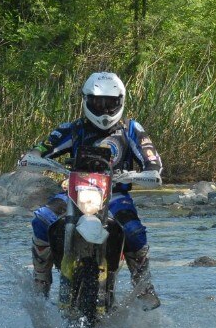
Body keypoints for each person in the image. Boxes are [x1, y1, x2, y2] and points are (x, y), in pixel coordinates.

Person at [22, 72, 163, 310]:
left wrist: (145, 174)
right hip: (73, 193)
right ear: (86, 101)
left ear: (120, 101)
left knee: (134, 231)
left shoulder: (131, 129)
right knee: (41, 220)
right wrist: (36, 160)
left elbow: (153, 162)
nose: (104, 109)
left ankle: (144, 285)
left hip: (116, 194)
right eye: (98, 103)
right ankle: (41, 279)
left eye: (110, 103)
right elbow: (38, 150)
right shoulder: (73, 129)